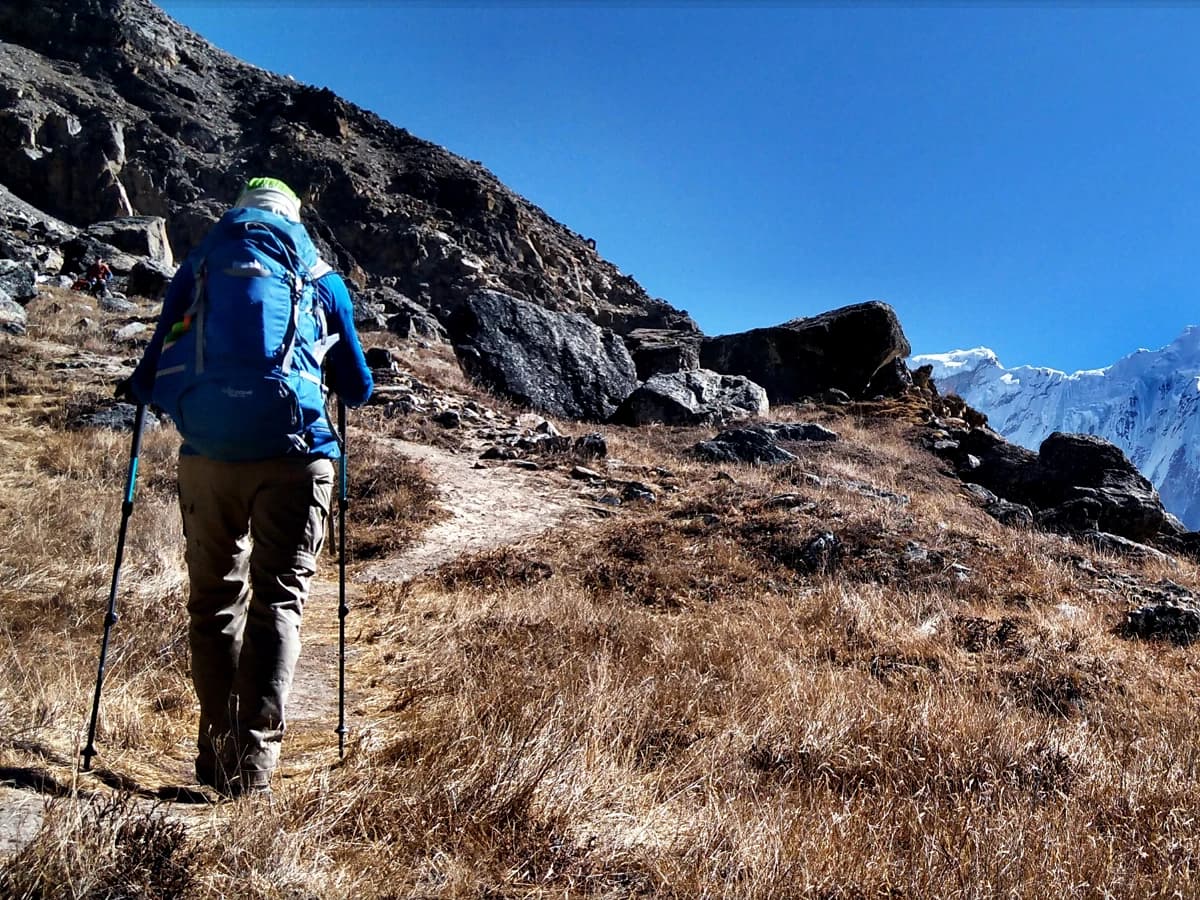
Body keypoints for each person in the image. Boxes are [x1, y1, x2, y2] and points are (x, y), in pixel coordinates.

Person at [118, 177, 373, 797]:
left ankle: (215, 747)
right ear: (292, 216)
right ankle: (250, 770)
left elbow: (152, 371)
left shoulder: (201, 265)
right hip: (296, 455)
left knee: (213, 600)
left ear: (238, 212)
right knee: (277, 603)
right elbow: (359, 387)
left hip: (207, 456)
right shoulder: (319, 277)